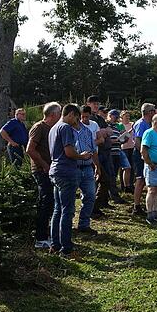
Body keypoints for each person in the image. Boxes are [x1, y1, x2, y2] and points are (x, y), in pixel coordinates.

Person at [48, 104, 93, 259]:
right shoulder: (66, 128)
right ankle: (66, 249)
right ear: (72, 114)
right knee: (67, 211)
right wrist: (82, 156)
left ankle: (55, 244)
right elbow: (68, 152)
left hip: (55, 171)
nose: (77, 121)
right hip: (66, 172)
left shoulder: (54, 127)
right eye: (77, 117)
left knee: (57, 209)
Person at [26, 102, 61, 249]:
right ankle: (40, 238)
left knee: (52, 202)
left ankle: (50, 233)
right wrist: (44, 165)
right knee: (45, 202)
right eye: (59, 113)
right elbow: (30, 149)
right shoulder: (39, 127)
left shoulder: (54, 128)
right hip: (41, 170)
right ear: (52, 115)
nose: (61, 116)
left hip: (51, 170)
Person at [86, 97, 124, 207]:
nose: (96, 106)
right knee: (97, 179)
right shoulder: (88, 119)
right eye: (94, 104)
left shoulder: (99, 118)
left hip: (106, 151)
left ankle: (102, 201)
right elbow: (96, 134)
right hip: (96, 152)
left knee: (109, 177)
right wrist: (103, 132)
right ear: (88, 104)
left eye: (97, 104)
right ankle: (93, 205)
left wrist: (104, 132)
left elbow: (109, 131)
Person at [74, 107, 101, 235]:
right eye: (82, 117)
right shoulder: (67, 130)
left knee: (90, 196)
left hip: (87, 167)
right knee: (69, 200)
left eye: (86, 117)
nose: (84, 119)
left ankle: (84, 224)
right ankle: (67, 226)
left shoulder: (87, 132)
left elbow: (93, 150)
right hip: (73, 168)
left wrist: (97, 166)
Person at [131, 103, 156, 216]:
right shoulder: (141, 124)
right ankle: (136, 206)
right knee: (140, 180)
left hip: (149, 154)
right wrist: (144, 155)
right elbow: (137, 142)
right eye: (153, 110)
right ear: (148, 112)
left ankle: (154, 203)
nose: (154, 112)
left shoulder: (149, 123)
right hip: (141, 155)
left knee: (150, 180)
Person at [108, 110, 132, 192]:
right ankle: (112, 189)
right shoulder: (106, 126)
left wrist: (125, 138)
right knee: (113, 171)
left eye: (117, 116)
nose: (117, 118)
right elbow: (105, 139)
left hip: (118, 150)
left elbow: (121, 140)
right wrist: (113, 141)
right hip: (110, 151)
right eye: (115, 116)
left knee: (127, 167)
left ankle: (126, 187)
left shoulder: (117, 126)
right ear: (110, 116)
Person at [120, 110, 135, 192]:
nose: (128, 118)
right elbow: (121, 138)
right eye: (126, 116)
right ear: (122, 117)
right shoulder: (120, 125)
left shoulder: (132, 124)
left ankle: (131, 184)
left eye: (129, 116)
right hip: (123, 148)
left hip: (132, 147)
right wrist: (129, 132)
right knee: (125, 167)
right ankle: (124, 185)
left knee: (132, 167)